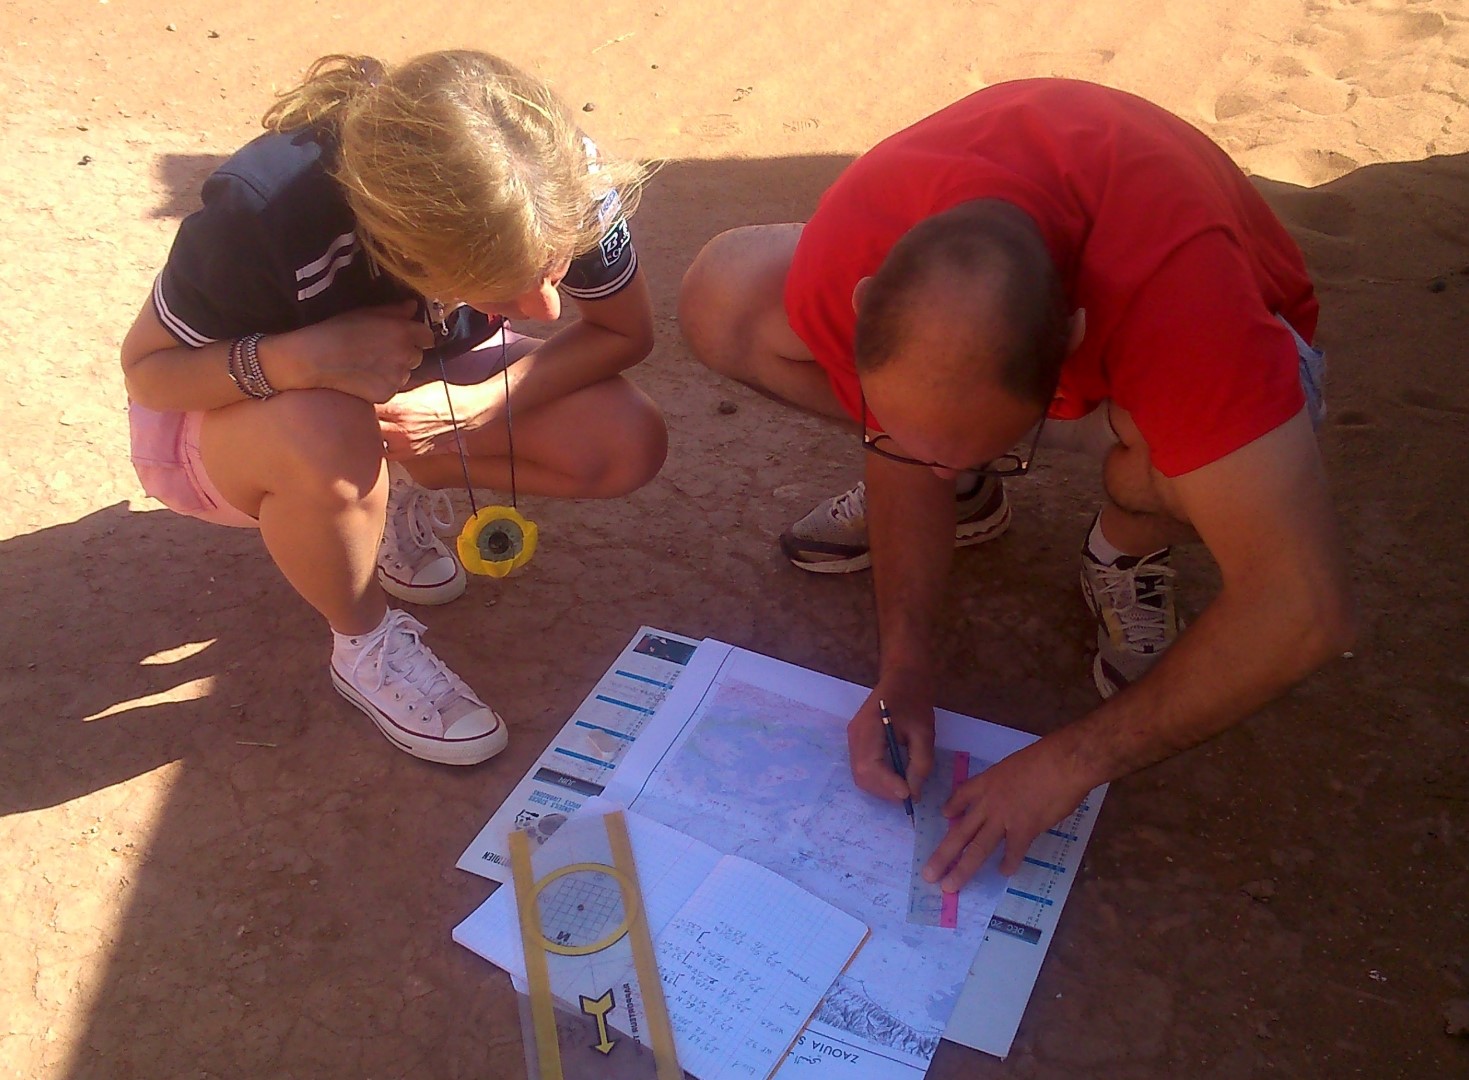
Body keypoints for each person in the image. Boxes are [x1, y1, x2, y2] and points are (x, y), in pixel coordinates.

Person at [678, 78, 1355, 890]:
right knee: (725, 297)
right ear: (865, 305)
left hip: (1198, 350)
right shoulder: (853, 244)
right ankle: (970, 490)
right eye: (915, 440)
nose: (925, 466)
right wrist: (905, 672)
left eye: (966, 452)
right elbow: (900, 456)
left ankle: (1125, 549)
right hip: (1059, 337)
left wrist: (1065, 764)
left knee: (1187, 473)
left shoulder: (1182, 306)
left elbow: (1302, 609)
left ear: (1073, 343)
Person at [121, 51, 666, 766]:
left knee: (623, 439)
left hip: (410, 375)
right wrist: (297, 361)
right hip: (238, 416)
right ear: (399, 248)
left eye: (553, 267)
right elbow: (150, 375)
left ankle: (391, 495)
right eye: (498, 289)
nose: (546, 307)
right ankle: (363, 642)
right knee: (327, 431)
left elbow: (624, 331)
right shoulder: (267, 214)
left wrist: (476, 407)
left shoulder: (555, 182)